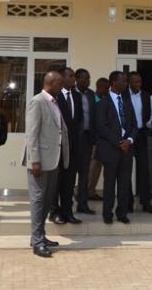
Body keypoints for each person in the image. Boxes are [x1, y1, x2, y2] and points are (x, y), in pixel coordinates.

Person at [23, 70, 68, 258]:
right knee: (39, 200)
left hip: (53, 161)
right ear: (52, 83)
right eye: (60, 84)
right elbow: (32, 134)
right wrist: (35, 160)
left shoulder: (54, 102)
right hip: (40, 162)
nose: (63, 87)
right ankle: (38, 242)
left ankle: (39, 236)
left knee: (48, 200)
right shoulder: (38, 101)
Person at [94, 71, 136, 224]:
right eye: (124, 81)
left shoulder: (127, 102)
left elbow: (134, 125)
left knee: (124, 183)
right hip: (110, 149)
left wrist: (129, 141)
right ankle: (107, 214)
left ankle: (122, 213)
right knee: (110, 183)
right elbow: (101, 127)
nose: (126, 83)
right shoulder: (102, 103)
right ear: (113, 82)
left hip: (127, 149)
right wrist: (119, 142)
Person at [49, 68, 82, 225]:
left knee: (69, 182)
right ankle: (55, 212)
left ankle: (68, 211)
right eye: (71, 76)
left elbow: (79, 122)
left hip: (74, 149)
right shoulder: (53, 96)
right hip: (58, 148)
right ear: (62, 78)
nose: (74, 79)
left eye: (74, 76)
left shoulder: (77, 96)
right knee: (56, 181)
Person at [125, 71, 152, 215]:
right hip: (126, 137)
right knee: (126, 170)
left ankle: (146, 202)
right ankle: (127, 203)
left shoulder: (146, 96)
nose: (138, 84)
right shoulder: (123, 95)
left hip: (141, 135)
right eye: (135, 82)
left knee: (144, 170)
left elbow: (148, 115)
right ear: (128, 82)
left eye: (140, 81)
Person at [73, 69, 97, 215]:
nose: (87, 81)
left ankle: (83, 204)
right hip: (74, 140)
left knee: (84, 174)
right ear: (77, 79)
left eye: (88, 79)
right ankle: (66, 205)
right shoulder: (71, 94)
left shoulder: (91, 95)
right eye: (84, 79)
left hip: (88, 139)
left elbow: (94, 116)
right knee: (69, 175)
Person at [87, 77, 110, 201]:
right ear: (100, 87)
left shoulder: (104, 100)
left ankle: (91, 191)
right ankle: (82, 190)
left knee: (97, 167)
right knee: (92, 167)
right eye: (106, 88)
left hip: (102, 140)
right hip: (94, 140)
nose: (108, 90)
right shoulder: (92, 100)